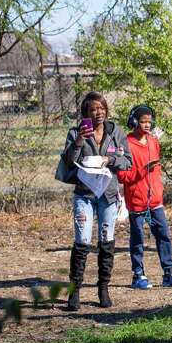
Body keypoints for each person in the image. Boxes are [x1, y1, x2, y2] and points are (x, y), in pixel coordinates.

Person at [58, 91, 132, 310]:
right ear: (85, 113)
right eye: (93, 109)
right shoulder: (75, 133)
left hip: (108, 195)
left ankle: (103, 288)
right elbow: (70, 161)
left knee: (106, 241)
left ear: (106, 110)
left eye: (101, 108)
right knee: (82, 240)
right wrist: (80, 139)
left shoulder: (115, 132)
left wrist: (110, 159)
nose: (98, 113)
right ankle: (74, 291)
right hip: (85, 194)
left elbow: (127, 161)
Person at [117, 105, 172, 290]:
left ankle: (169, 272)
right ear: (134, 122)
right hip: (137, 201)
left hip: (155, 200)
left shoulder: (153, 142)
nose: (147, 125)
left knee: (164, 235)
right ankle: (138, 274)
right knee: (138, 237)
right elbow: (122, 176)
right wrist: (141, 172)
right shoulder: (126, 144)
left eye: (149, 121)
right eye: (143, 121)